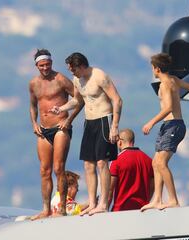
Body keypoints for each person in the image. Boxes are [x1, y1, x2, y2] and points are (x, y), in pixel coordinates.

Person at [50, 52, 122, 215]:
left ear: (81, 66)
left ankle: (103, 203)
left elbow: (117, 100)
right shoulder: (77, 80)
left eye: (73, 69)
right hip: (89, 122)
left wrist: (115, 126)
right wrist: (61, 108)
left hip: (104, 119)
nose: (72, 73)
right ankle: (92, 202)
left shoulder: (99, 76)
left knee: (102, 162)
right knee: (88, 164)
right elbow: (78, 100)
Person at [28, 49, 83, 220]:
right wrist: (34, 123)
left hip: (60, 128)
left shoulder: (60, 79)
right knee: (44, 170)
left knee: (59, 168)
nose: (45, 68)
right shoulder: (33, 84)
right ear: (37, 65)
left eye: (48, 64)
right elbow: (32, 106)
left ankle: (62, 210)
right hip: (43, 130)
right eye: (42, 65)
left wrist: (69, 119)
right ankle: (46, 209)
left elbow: (80, 99)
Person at [141, 53, 189, 210]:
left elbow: (168, 108)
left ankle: (173, 199)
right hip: (170, 125)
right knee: (155, 162)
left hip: (173, 125)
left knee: (161, 162)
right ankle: (157, 199)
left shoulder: (165, 84)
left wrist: (150, 123)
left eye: (152, 68)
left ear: (157, 69)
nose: (152, 70)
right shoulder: (173, 79)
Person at [108, 128, 154, 211]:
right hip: (142, 211)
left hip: (121, 210)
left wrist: (105, 210)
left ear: (120, 142)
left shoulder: (116, 161)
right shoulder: (149, 160)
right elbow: (152, 187)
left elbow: (110, 189)